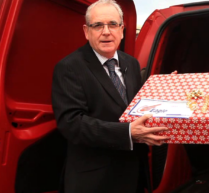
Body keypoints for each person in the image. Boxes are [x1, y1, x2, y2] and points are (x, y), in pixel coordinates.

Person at [51, 0, 170, 192]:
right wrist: (127, 133)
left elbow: (135, 105)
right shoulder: (69, 67)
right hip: (95, 180)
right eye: (98, 25)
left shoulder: (130, 63)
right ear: (86, 31)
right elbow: (71, 124)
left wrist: (164, 90)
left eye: (113, 24)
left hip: (133, 174)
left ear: (122, 30)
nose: (106, 31)